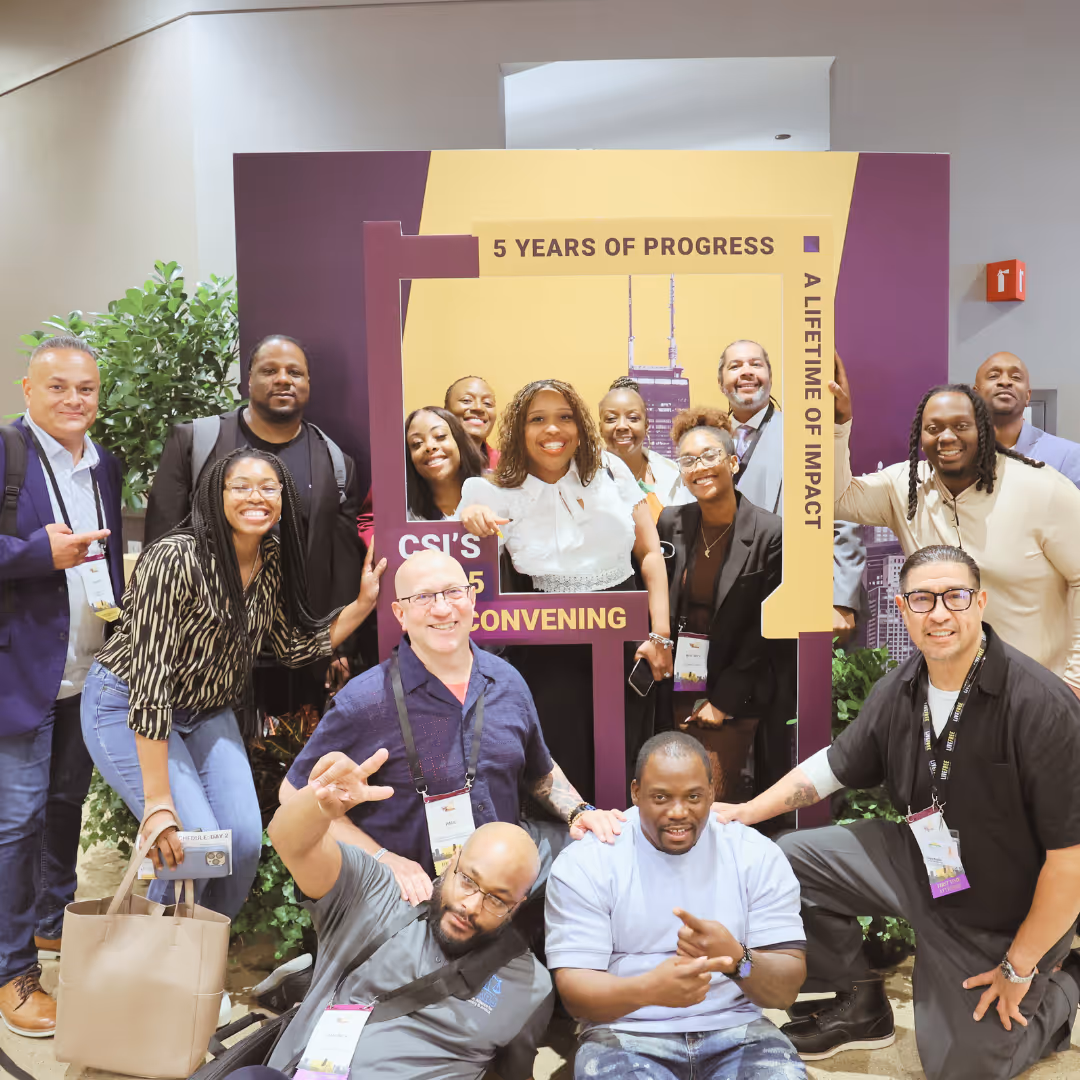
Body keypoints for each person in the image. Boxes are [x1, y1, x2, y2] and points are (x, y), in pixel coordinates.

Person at [715, 545, 1080, 1079]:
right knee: (787, 859)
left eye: (955, 597)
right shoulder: (901, 687)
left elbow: (1070, 862)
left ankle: (1065, 985)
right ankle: (860, 1003)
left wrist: (1020, 966)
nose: (939, 613)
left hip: (1004, 913)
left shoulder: (1040, 705)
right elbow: (833, 766)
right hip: (928, 862)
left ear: (980, 603)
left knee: (964, 1068)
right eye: (923, 599)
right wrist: (747, 811)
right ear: (903, 609)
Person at [81, 448, 386, 921]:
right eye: (241, 486)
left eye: (268, 487)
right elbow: (151, 680)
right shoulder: (173, 558)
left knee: (242, 845)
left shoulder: (270, 557)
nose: (255, 497)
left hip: (207, 711)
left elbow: (291, 645)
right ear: (215, 494)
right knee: (188, 843)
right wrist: (158, 803)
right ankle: (158, 959)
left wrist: (363, 604)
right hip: (130, 704)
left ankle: (201, 954)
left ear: (283, 497)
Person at [282, 549, 626, 907]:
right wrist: (382, 858)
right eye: (423, 597)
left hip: (498, 900)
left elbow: (541, 771)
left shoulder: (507, 681)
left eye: (453, 592)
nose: (443, 609)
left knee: (605, 850)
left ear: (472, 600)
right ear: (399, 614)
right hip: (409, 904)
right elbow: (293, 795)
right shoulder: (364, 700)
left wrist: (579, 811)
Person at [250, 753, 553, 1080]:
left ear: (517, 906)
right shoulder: (375, 894)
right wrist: (317, 807)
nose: (471, 906)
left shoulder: (530, 986)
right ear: (453, 861)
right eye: (468, 880)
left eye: (496, 899)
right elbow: (291, 841)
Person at [545, 731, 807, 1080]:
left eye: (694, 797)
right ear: (636, 792)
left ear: (712, 793)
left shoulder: (754, 854)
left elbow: (785, 991)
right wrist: (648, 990)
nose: (679, 812)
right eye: (661, 797)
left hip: (740, 1032)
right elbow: (575, 993)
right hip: (625, 1033)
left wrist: (737, 961)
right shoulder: (589, 860)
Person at [458, 378, 673, 800]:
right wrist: (473, 518)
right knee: (562, 763)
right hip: (549, 645)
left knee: (627, 757)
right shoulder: (495, 491)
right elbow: (468, 567)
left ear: (580, 425)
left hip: (624, 634)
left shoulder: (611, 470)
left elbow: (650, 554)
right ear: (519, 430)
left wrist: (660, 634)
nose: (553, 429)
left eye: (564, 417)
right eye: (537, 419)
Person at [0, 337, 123, 1038]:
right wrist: (34, 555)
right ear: (28, 389)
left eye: (86, 389)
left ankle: (51, 922)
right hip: (20, 674)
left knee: (64, 805)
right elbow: (39, 555)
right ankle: (12, 969)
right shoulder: (7, 453)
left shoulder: (104, 463)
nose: (75, 400)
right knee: (16, 824)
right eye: (58, 387)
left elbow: (106, 562)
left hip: (88, 670)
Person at [831, 355, 1080, 697]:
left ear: (984, 431)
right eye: (934, 428)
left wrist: (1074, 682)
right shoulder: (905, 486)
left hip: (1039, 694)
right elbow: (836, 499)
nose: (946, 437)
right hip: (950, 694)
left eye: (961, 426)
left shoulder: (1043, 488)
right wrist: (838, 425)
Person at [145, 333, 367, 704]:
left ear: (308, 383)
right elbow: (160, 545)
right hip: (204, 652)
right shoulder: (194, 443)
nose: (283, 379)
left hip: (299, 652)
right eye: (269, 371)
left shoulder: (335, 462)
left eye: (294, 372)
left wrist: (341, 646)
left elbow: (342, 563)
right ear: (248, 380)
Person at [657, 408, 796, 806]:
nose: (699, 467)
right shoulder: (670, 522)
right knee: (668, 792)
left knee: (710, 797)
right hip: (676, 687)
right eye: (688, 460)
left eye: (709, 456)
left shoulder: (770, 532)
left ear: (733, 463)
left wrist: (723, 702)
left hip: (736, 691)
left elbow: (765, 631)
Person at [719, 339, 866, 644]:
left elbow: (841, 511)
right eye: (735, 366)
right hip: (727, 607)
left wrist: (842, 599)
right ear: (721, 382)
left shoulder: (806, 433)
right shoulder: (706, 440)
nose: (746, 372)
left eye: (756, 364)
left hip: (794, 594)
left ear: (770, 377)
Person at [973, 351, 1080, 487]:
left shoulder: (1068, 456)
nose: (1005, 382)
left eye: (1016, 377)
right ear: (975, 395)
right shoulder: (959, 454)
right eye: (993, 376)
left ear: (1028, 397)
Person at [598, 376, 688, 520]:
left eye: (633, 418)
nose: (622, 426)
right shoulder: (583, 478)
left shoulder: (673, 474)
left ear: (646, 426)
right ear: (600, 428)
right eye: (611, 419)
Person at [404, 406, 484, 521]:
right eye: (417, 443)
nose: (429, 446)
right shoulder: (404, 515)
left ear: (459, 441)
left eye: (440, 436)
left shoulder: (496, 492)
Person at [445, 374, 500, 470]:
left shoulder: (506, 466)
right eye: (467, 400)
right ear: (446, 411)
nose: (479, 407)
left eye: (487, 403)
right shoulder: (433, 459)